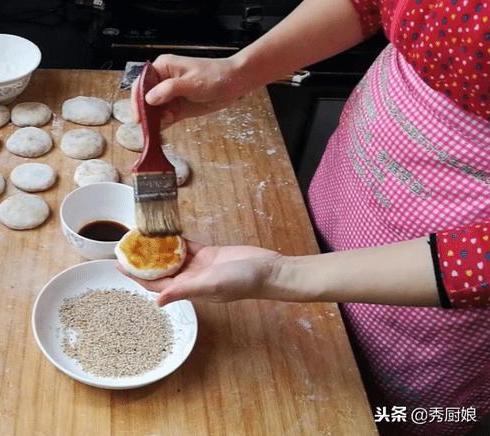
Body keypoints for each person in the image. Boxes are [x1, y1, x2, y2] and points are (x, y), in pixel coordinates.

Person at [123, 0, 490, 435]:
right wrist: (240, 71)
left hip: (444, 269)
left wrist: (281, 275)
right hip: (354, 178)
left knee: (378, 414)